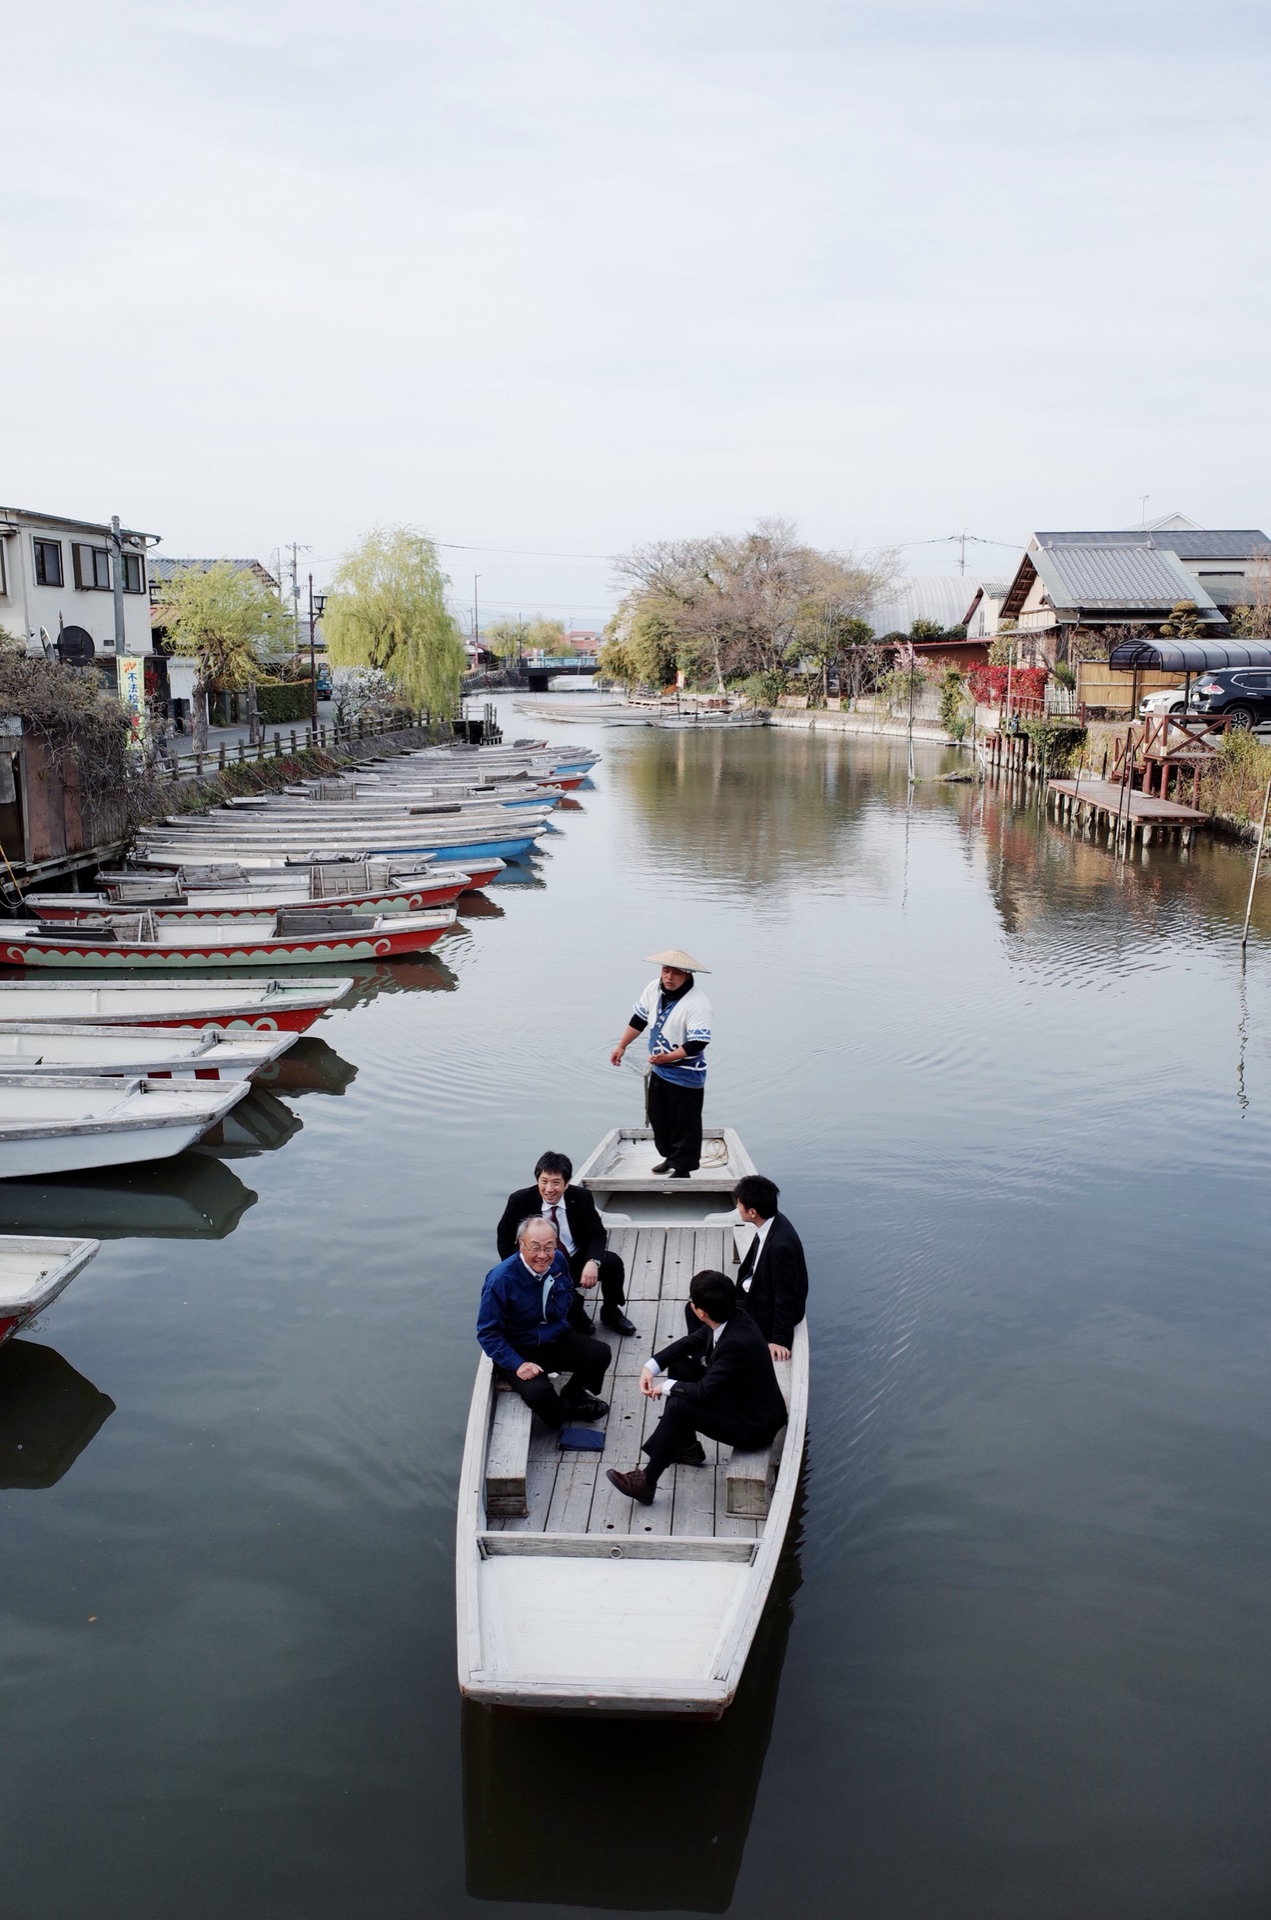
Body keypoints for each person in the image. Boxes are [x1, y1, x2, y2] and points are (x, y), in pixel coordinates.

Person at [605, 1271, 786, 1507]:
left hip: (754, 1425)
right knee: (679, 1366)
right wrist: (651, 1367)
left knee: (680, 1405)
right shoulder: (733, 1316)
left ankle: (646, 1482)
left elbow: (703, 1392)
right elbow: (692, 1341)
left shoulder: (737, 1344)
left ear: (700, 1312)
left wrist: (666, 1386)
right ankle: (686, 1447)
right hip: (739, 1397)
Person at [477, 1217, 611, 1430]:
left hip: (554, 1337)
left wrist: (559, 1314)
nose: (543, 1255)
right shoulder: (500, 1280)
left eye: (549, 1246)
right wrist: (517, 1364)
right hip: (520, 1349)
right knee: (539, 1395)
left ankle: (573, 1392)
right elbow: (488, 1333)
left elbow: (567, 1289)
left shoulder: (557, 1260)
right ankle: (568, 1411)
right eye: (535, 1247)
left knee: (600, 1353)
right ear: (521, 1244)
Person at [496, 1150, 635, 1336]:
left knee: (613, 1263)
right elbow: (504, 1239)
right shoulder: (520, 1201)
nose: (549, 1189)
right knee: (575, 1308)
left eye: (556, 1183)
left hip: (574, 1257)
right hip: (541, 1263)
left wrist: (593, 1261)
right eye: (544, 1182)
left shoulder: (582, 1197)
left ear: (567, 1183)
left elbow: (597, 1233)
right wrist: (522, 1272)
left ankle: (610, 1312)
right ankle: (576, 1314)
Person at [610, 948, 712, 1178]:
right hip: (660, 1069)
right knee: (658, 1117)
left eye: (676, 973)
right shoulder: (653, 989)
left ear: (687, 975)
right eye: (666, 971)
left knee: (684, 1123)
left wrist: (669, 1057)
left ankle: (683, 1168)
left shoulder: (698, 1002)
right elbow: (639, 1019)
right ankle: (670, 1157)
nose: (669, 977)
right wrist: (622, 1046)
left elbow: (698, 1042)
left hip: (686, 1073)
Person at [729, 1173, 808, 1362]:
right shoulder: (773, 1222)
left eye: (739, 1203)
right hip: (754, 1292)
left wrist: (779, 1340)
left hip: (764, 1311)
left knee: (697, 1308)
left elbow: (786, 1296)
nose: (737, 1206)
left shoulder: (781, 1246)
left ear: (752, 1212)